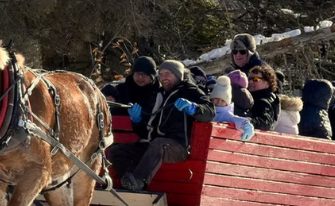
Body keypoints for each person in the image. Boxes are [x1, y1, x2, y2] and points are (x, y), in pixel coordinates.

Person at [108, 60, 215, 192]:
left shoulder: (191, 92)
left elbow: (210, 112)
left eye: (167, 74)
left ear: (178, 75)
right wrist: (137, 120)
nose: (163, 78)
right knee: (117, 151)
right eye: (161, 74)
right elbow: (144, 132)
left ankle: (138, 181)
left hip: (178, 146)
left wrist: (194, 108)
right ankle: (129, 183)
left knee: (159, 144)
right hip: (153, 144)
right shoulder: (158, 95)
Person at [210, 76, 254, 141]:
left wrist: (246, 124)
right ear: (211, 98)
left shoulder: (226, 115)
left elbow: (235, 119)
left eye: (223, 100)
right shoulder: (206, 109)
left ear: (227, 103)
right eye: (216, 98)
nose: (219, 102)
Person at [246, 64, 281, 131]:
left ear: (267, 82)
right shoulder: (257, 97)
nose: (250, 82)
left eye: (255, 79)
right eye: (249, 79)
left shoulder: (263, 101)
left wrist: (245, 121)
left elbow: (266, 123)